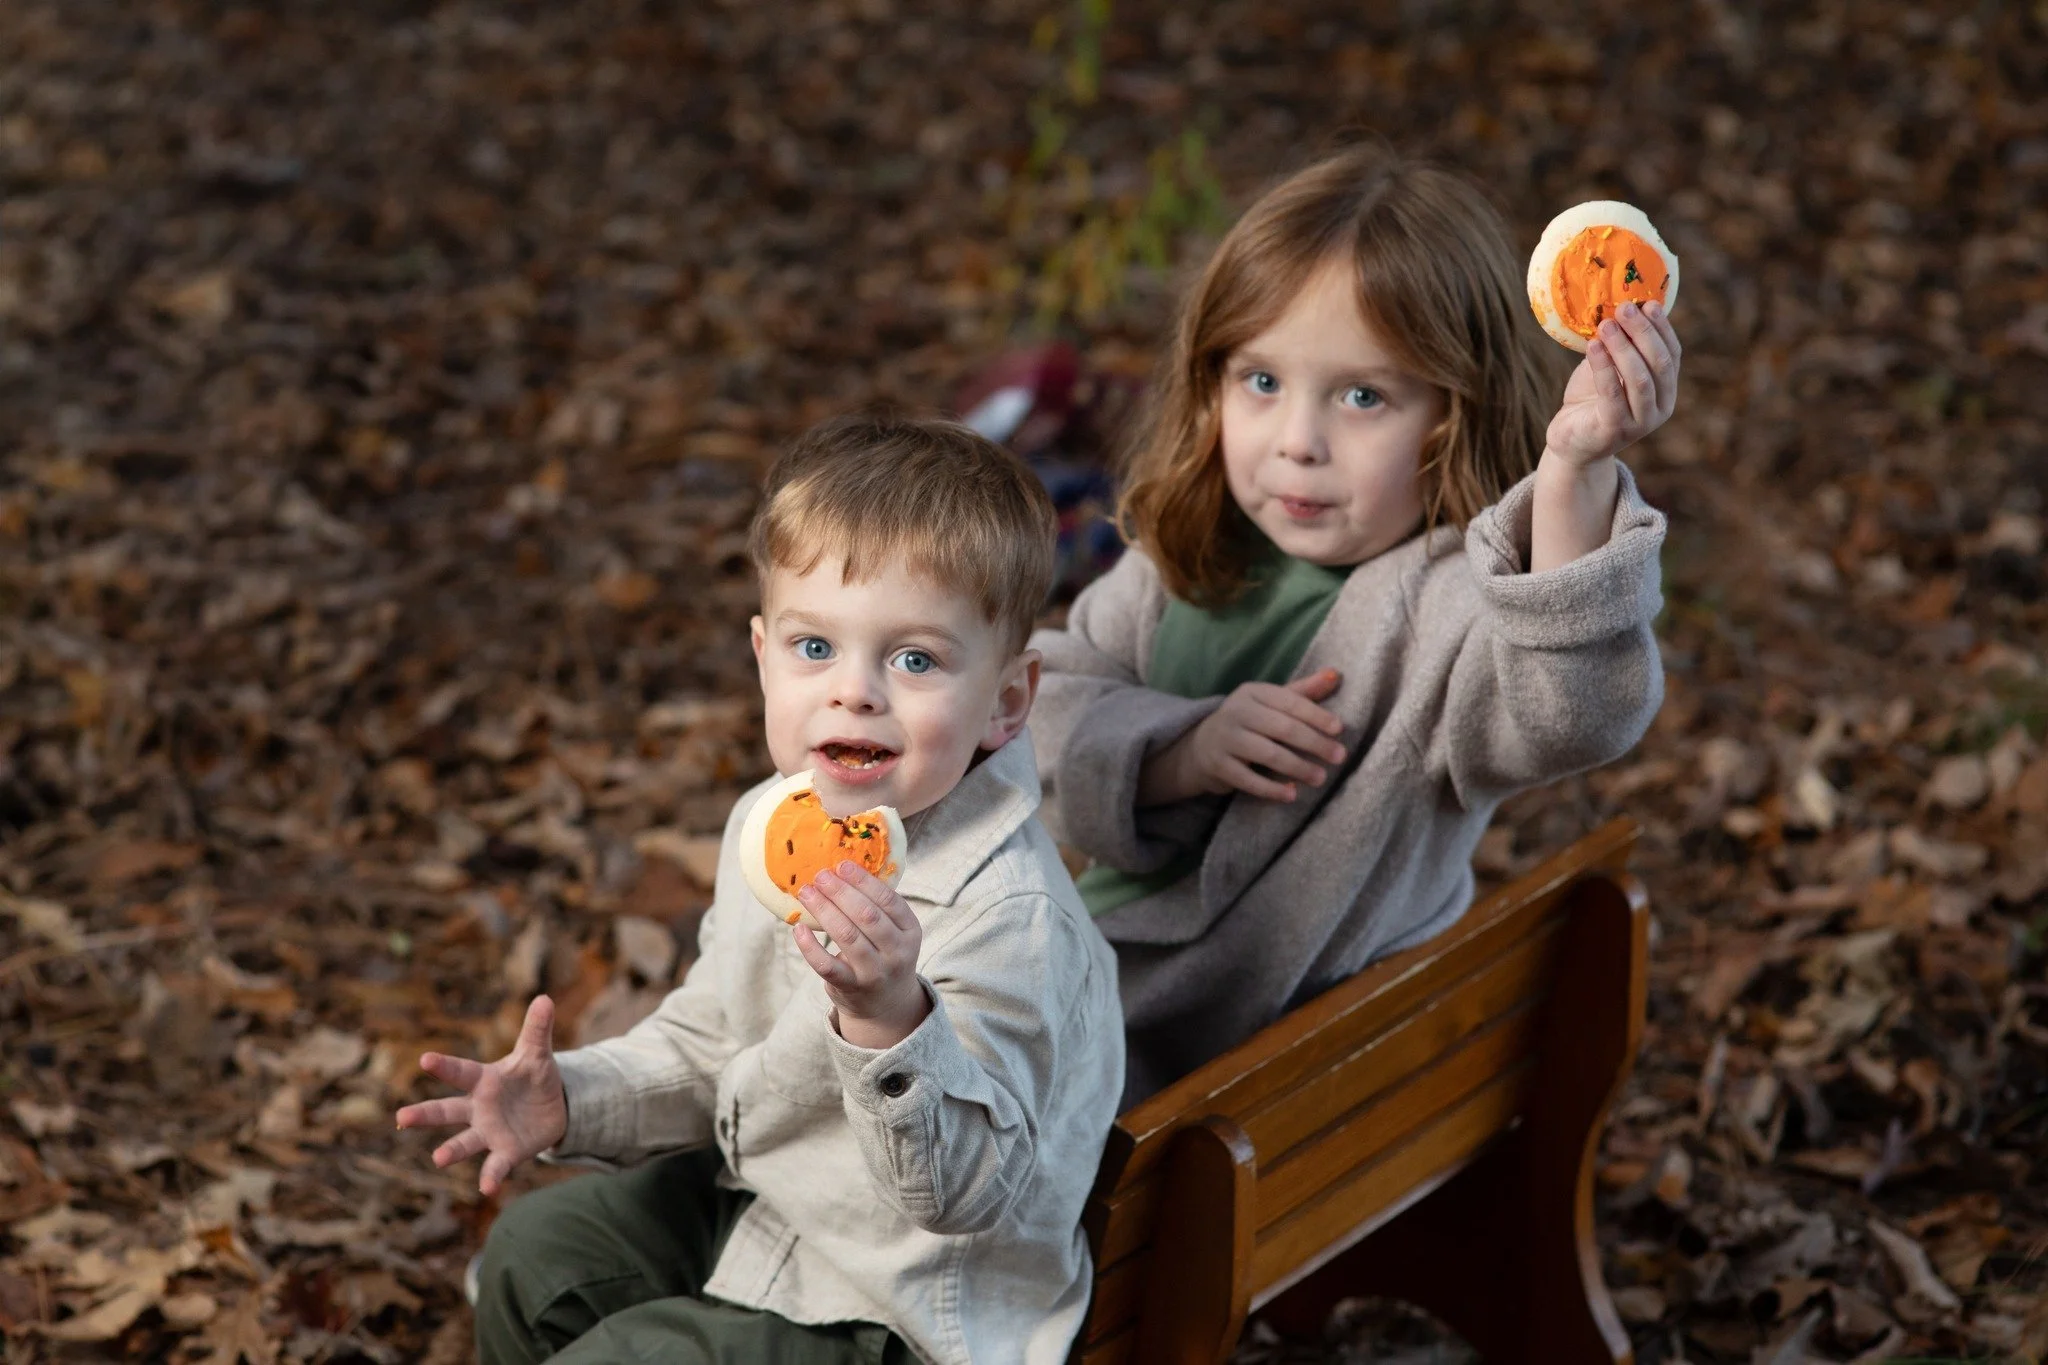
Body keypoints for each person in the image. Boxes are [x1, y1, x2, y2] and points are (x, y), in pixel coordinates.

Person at [398, 415, 1125, 1364]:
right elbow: (715, 1037)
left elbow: (966, 1195)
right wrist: (572, 1098)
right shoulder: (771, 830)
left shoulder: (1009, 918)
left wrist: (891, 1020)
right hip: (776, 1209)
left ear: (1007, 699)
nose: (854, 691)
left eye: (914, 659)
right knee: (535, 1255)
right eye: (814, 647)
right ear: (762, 656)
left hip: (912, 1310)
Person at [1029, 143, 1679, 1105]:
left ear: (1453, 413)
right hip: (1096, 1000)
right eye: (1261, 382)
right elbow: (1042, 714)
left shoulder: (1449, 608)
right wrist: (1179, 753)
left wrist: (1574, 472)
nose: (1298, 441)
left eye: (1362, 396)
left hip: (1260, 1080)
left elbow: (1569, 712)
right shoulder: (1187, 559)